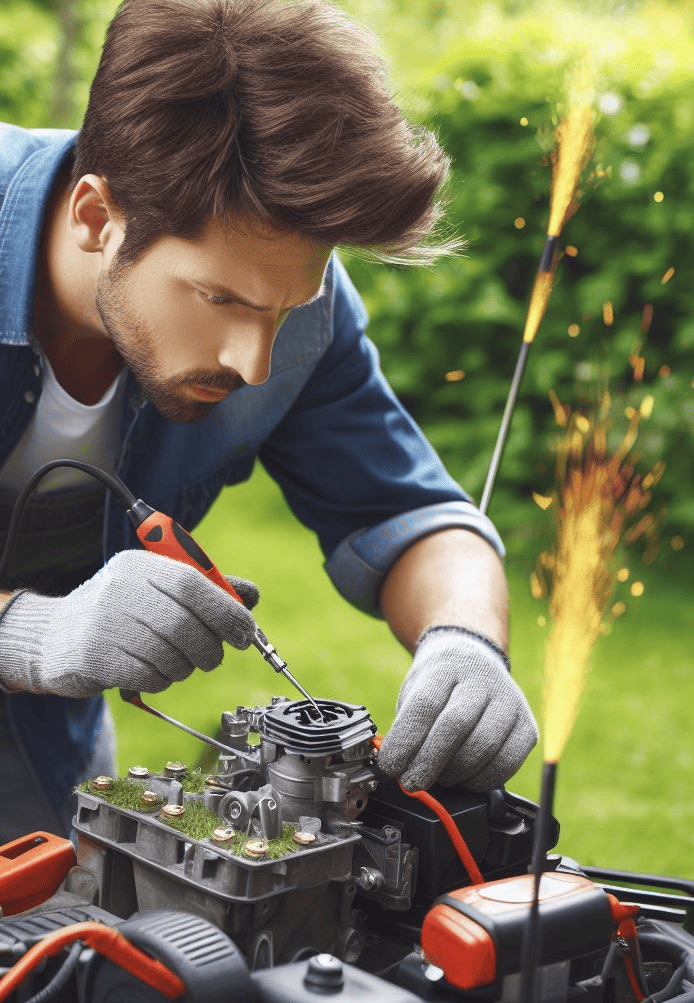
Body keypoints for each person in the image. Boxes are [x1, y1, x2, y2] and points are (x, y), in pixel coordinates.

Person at [0, 0, 537, 840]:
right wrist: (29, 632)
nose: (256, 361)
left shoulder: (298, 308)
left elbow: (409, 513)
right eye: (220, 299)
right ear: (98, 218)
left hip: (47, 771)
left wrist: (466, 639)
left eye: (287, 306)